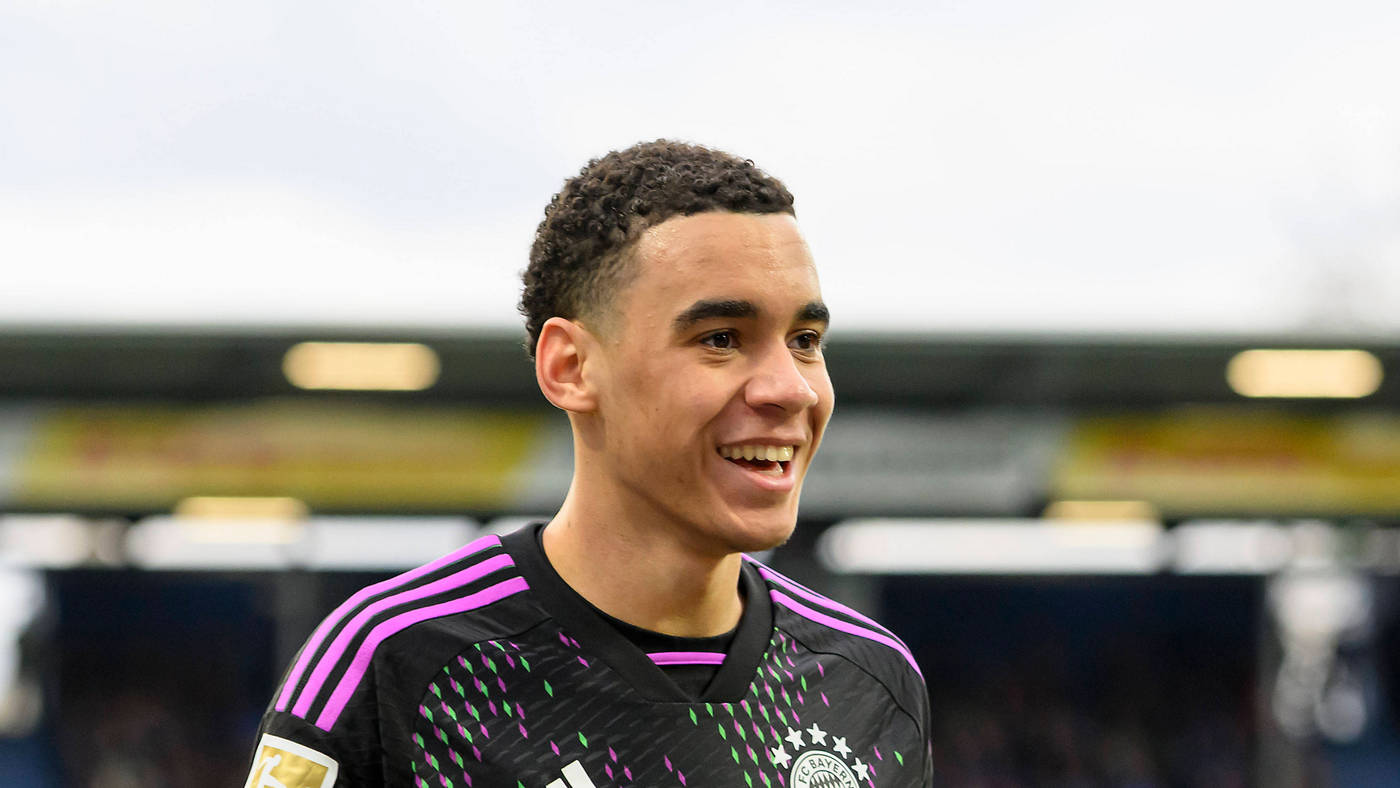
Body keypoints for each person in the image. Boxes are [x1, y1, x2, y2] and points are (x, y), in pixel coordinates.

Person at [244, 140, 932, 787]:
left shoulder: (872, 679)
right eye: (722, 338)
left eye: (805, 339)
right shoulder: (395, 661)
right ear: (571, 367)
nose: (792, 388)